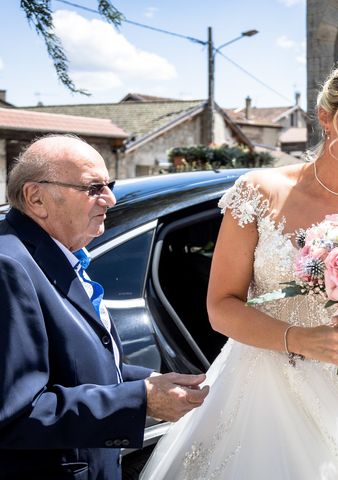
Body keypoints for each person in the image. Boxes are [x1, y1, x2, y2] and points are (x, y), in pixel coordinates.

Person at [139, 55, 338, 479]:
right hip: (255, 387)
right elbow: (221, 306)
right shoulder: (261, 192)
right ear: (326, 119)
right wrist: (300, 340)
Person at [0, 135, 209, 480]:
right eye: (93, 188)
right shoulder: (9, 268)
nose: (110, 199)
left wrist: (150, 381)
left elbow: (74, 370)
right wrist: (140, 400)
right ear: (36, 198)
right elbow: (17, 413)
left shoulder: (57, 254)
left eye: (108, 185)